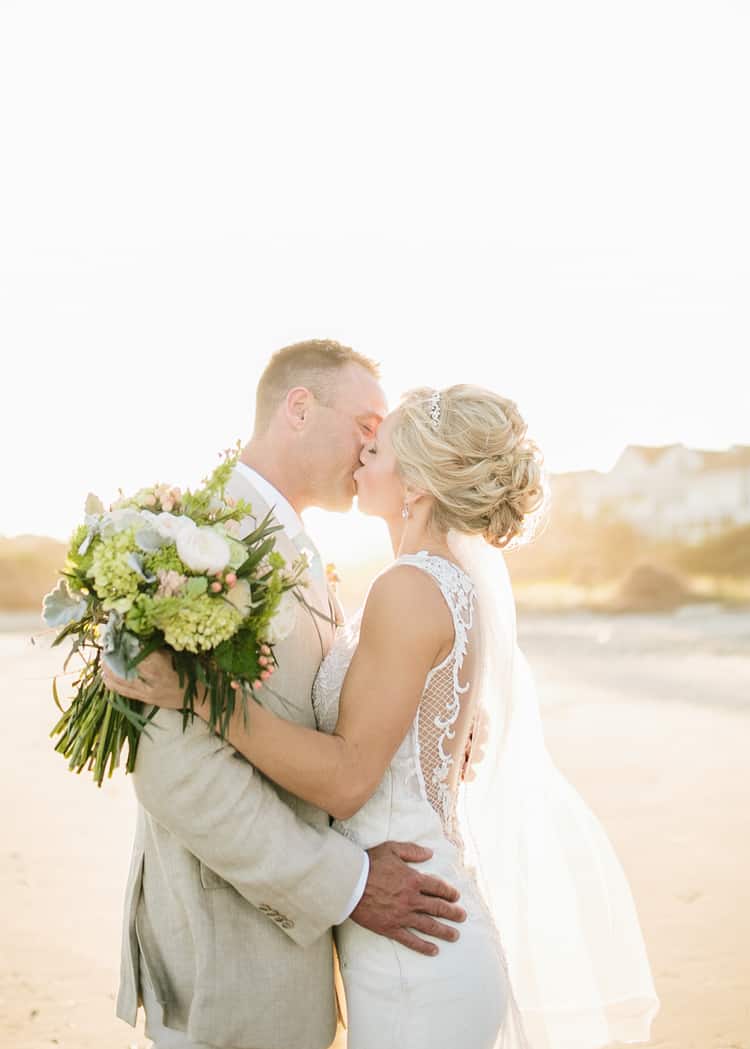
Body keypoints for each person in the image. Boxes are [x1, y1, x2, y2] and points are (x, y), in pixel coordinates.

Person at [108, 380, 661, 1049]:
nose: (365, 451)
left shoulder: (409, 587)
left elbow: (346, 778)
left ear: (418, 483)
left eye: (381, 442)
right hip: (413, 932)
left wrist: (201, 696)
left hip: (414, 948)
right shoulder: (436, 581)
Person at [107, 341, 468, 1049]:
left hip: (296, 966)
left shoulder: (292, 542)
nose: (373, 446)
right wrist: (350, 882)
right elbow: (176, 773)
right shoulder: (195, 541)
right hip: (226, 961)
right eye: (366, 423)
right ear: (299, 408)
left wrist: (433, 721)